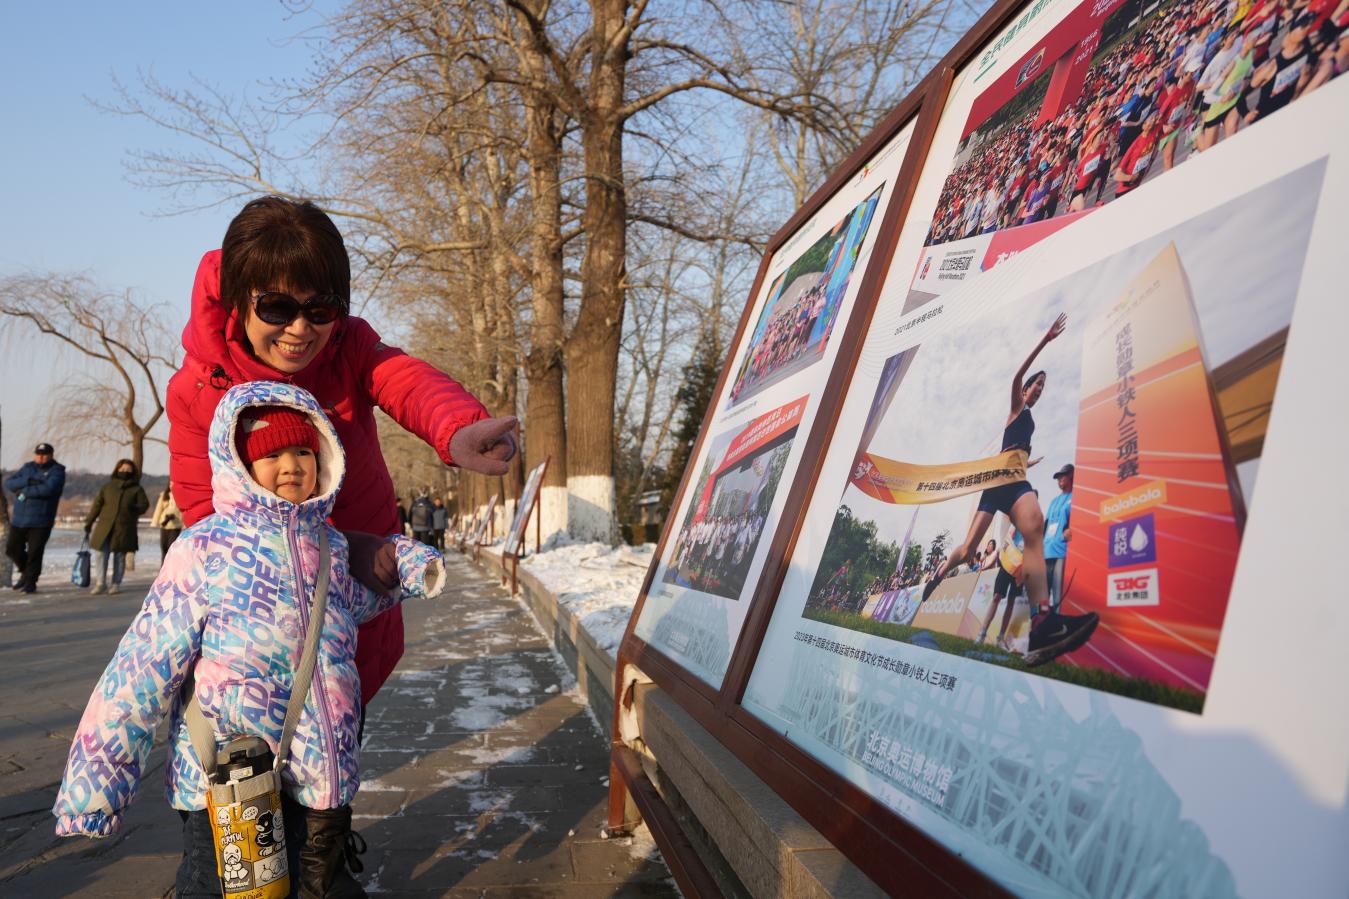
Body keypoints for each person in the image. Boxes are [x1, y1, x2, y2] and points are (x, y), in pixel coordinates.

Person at [53, 382, 446, 897]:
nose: (292, 465)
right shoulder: (205, 549)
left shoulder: (327, 545)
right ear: (239, 463)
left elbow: (359, 598)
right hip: (230, 781)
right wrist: (96, 786)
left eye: (303, 450)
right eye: (272, 453)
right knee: (219, 888)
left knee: (323, 888)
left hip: (321, 784)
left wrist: (409, 565)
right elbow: (142, 666)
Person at [921, 314, 1098, 666]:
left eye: (1043, 389)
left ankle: (1043, 622)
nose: (1038, 391)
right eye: (1036, 386)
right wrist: (1045, 341)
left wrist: (1029, 464)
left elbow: (1015, 455)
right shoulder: (1017, 406)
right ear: (1025, 389)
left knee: (1034, 525)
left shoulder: (1030, 421)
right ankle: (940, 574)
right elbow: (1017, 375)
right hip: (995, 485)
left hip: (1015, 480)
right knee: (969, 549)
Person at [3, 442, 66, 594]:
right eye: (38, 454)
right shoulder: (27, 468)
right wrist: (28, 482)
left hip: (41, 520)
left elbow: (49, 489)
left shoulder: (57, 471)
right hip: (19, 519)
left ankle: (31, 582)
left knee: (35, 552)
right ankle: (26, 572)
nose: (41, 457)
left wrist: (23, 492)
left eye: (44, 454)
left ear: (51, 455)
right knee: (12, 549)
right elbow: (9, 483)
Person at [83, 459, 150, 596]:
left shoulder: (136, 489)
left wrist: (134, 509)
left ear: (133, 472)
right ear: (117, 470)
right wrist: (89, 521)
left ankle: (115, 584)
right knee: (101, 554)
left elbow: (144, 505)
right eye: (122, 469)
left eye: (128, 469)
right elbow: (97, 505)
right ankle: (100, 583)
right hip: (105, 527)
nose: (124, 471)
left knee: (119, 556)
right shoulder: (108, 487)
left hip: (124, 528)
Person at [1043, 464, 1074, 613]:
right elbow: (1046, 524)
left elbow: (1078, 521)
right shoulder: (1054, 501)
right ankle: (1039, 629)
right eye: (1058, 477)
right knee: (1042, 596)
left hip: (1061, 551)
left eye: (1063, 475)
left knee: (1057, 597)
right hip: (1046, 550)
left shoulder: (1076, 497)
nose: (1060, 479)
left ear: (1071, 476)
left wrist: (1070, 530)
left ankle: (1055, 630)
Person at [151, 481, 184, 561]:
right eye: (170, 484)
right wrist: (155, 522)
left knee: (171, 547)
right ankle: (163, 567)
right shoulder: (164, 495)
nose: (172, 486)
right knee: (164, 547)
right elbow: (158, 509)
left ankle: (170, 567)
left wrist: (185, 524)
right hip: (164, 524)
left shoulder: (181, 496)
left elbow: (183, 511)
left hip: (176, 525)